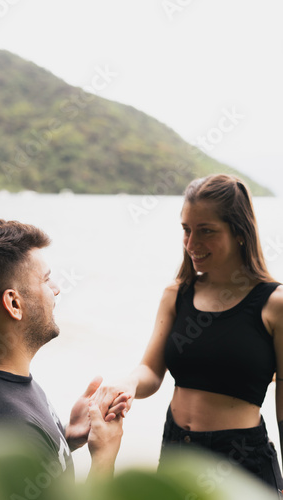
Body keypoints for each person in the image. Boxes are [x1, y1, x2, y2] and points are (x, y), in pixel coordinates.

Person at [94, 174, 283, 495]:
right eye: (186, 230)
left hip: (240, 461)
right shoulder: (176, 295)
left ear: (240, 232)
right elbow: (151, 371)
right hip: (176, 450)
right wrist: (128, 383)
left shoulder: (274, 304)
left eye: (206, 231)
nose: (192, 243)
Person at [0, 218, 126, 492]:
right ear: (14, 303)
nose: (56, 288)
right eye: (45, 279)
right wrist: (104, 457)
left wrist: (68, 437)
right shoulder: (5, 427)